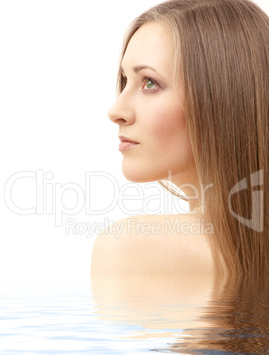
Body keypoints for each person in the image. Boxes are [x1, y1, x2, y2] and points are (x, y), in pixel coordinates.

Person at [91, 0, 269, 276]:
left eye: (149, 83)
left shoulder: (129, 250)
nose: (116, 112)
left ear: (221, 100)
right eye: (125, 81)